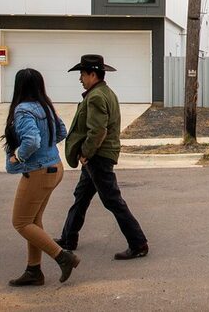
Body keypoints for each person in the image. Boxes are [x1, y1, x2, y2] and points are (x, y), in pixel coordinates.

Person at [56, 54, 149, 261]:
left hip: (98, 156)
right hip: (97, 156)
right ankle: (68, 238)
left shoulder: (97, 96)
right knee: (81, 197)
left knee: (113, 201)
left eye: (82, 74)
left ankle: (138, 243)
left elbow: (97, 131)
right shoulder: (104, 92)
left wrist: (86, 154)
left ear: (92, 74)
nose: (80, 78)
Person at [3, 68, 80, 286]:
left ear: (19, 86)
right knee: (33, 221)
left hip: (38, 171)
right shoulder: (45, 106)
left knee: (20, 222)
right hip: (54, 167)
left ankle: (62, 257)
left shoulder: (23, 110)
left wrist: (18, 157)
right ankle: (33, 270)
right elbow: (62, 131)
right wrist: (48, 149)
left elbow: (31, 140)